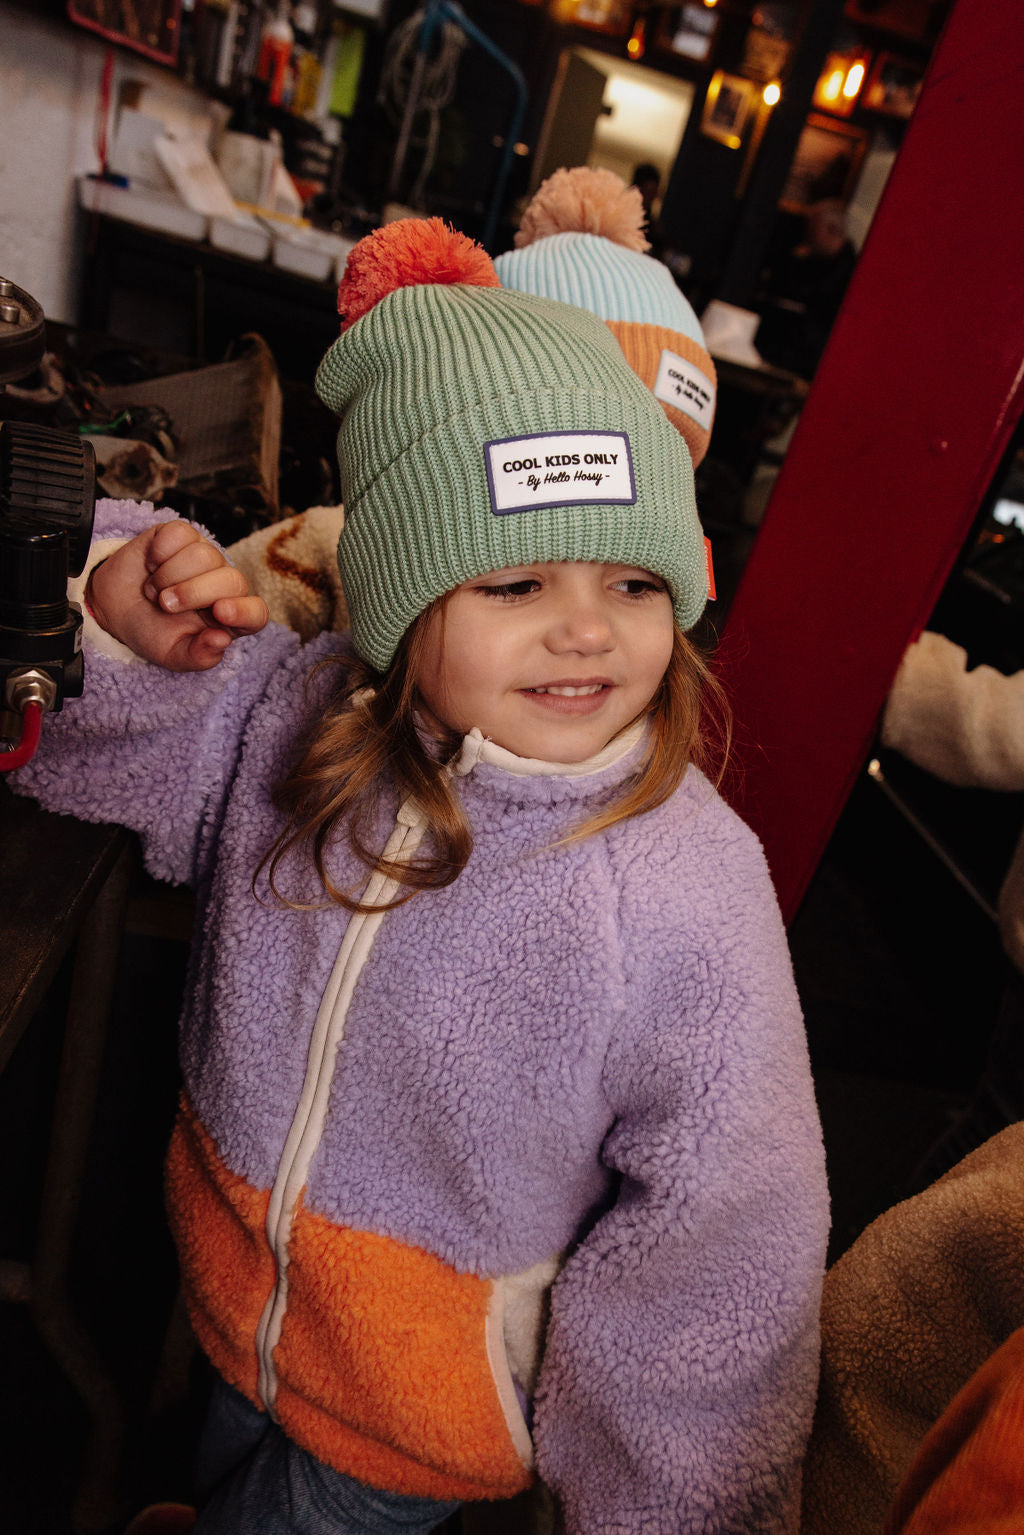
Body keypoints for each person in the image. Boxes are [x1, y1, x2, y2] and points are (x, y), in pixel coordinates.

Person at [14, 218, 829, 1535]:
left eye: (635, 580)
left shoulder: (685, 891)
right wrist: (118, 625)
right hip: (232, 1302)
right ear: (399, 593)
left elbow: (727, 1239)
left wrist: (674, 1508)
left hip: (412, 1413)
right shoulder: (298, 719)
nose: (587, 627)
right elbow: (108, 748)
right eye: (517, 580)